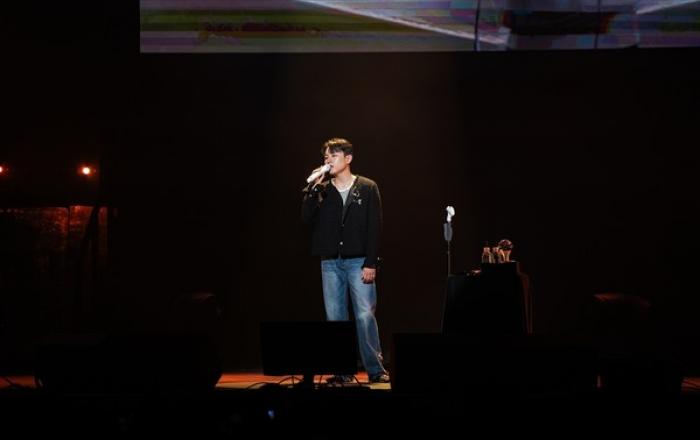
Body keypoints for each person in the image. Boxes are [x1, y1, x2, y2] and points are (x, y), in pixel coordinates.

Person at [301, 138, 390, 384]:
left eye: (334, 155)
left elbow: (375, 227)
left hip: (359, 261)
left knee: (364, 315)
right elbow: (306, 218)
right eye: (326, 156)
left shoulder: (367, 187)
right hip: (330, 262)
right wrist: (313, 188)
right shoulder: (322, 189)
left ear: (348, 158)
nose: (328, 160)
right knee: (335, 317)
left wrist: (371, 262)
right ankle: (342, 371)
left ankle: (376, 370)